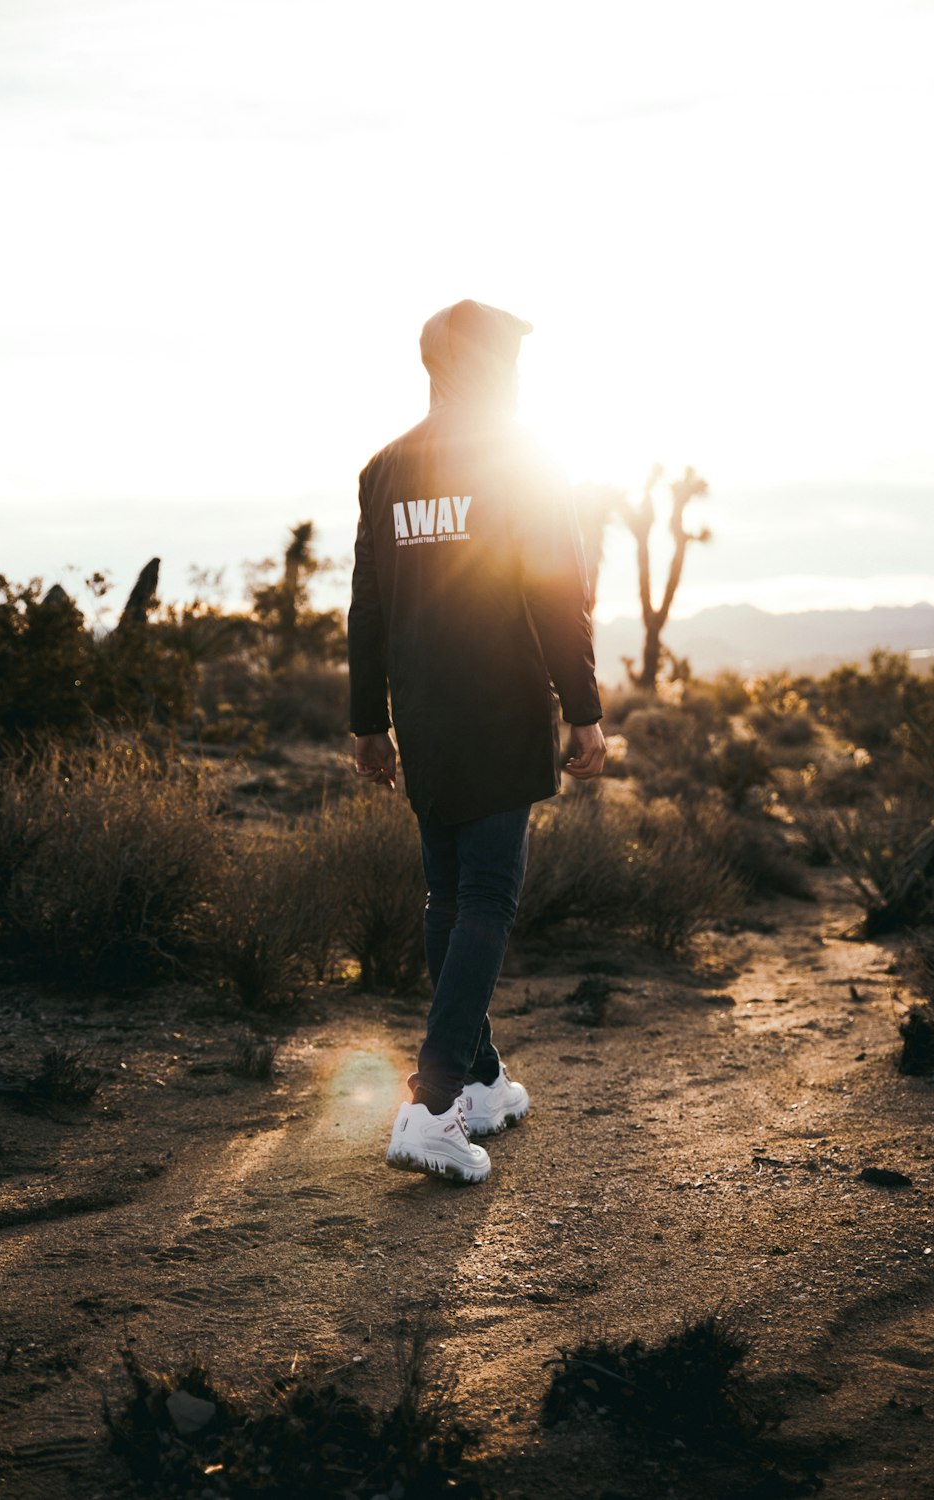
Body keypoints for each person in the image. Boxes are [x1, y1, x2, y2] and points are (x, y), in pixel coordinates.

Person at [347, 299, 606, 1184]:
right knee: (487, 901)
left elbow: (368, 613)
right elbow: (556, 595)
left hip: (423, 716)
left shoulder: (384, 469)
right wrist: (586, 708)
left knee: (448, 900)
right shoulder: (520, 460)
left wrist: (368, 723)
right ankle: (432, 1105)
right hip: (499, 711)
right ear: (475, 366)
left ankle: (486, 1083)